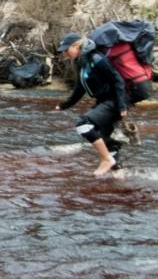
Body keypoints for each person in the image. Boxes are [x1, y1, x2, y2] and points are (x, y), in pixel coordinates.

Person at [54, 31, 129, 176]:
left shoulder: (96, 58)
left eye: (66, 50)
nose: (65, 54)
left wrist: (121, 105)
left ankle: (106, 159)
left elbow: (118, 80)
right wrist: (64, 105)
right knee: (106, 140)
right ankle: (119, 178)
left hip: (114, 101)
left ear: (76, 46)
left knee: (84, 124)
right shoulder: (82, 63)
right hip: (104, 101)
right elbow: (80, 88)